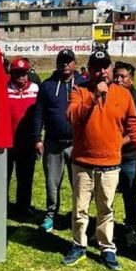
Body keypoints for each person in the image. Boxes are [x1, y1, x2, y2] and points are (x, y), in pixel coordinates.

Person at [63, 49, 136, 271]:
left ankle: (107, 248)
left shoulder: (123, 95)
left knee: (106, 208)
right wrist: (95, 96)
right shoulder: (79, 90)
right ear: (90, 70)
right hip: (83, 163)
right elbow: (72, 117)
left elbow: (134, 126)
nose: (101, 71)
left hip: (110, 164)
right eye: (96, 67)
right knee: (80, 208)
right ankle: (79, 245)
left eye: (105, 66)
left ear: (110, 69)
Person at [33, 49, 86, 232]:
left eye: (68, 61)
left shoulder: (83, 83)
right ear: (57, 64)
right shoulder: (47, 85)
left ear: (74, 63)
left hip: (77, 143)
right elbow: (39, 112)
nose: (65, 64)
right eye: (62, 61)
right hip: (53, 143)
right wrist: (37, 138)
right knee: (52, 183)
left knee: (79, 183)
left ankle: (77, 216)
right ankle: (50, 215)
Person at [113, 61, 136, 247]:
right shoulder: (109, 93)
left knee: (129, 192)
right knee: (106, 193)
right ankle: (105, 227)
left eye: (123, 76)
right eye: (116, 75)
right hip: (108, 157)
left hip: (128, 156)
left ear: (132, 79)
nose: (118, 79)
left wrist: (114, 144)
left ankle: (131, 228)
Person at [7, 57, 39, 216]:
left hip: (27, 142)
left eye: (23, 73)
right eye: (17, 73)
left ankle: (23, 206)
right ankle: (3, 206)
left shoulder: (35, 89)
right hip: (7, 141)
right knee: (4, 176)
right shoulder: (4, 89)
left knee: (25, 177)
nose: (21, 76)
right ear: (11, 73)